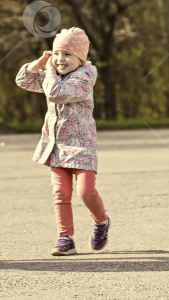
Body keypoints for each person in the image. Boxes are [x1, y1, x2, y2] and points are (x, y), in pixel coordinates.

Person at [15, 27, 110, 256]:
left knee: (86, 192)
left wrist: (48, 73)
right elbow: (22, 80)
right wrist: (38, 64)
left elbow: (56, 93)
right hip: (56, 145)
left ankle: (101, 222)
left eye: (67, 54)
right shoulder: (52, 75)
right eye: (57, 53)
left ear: (81, 59)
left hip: (82, 147)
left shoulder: (84, 77)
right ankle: (65, 238)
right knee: (60, 194)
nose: (60, 60)